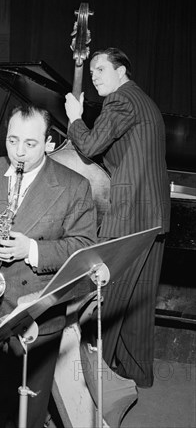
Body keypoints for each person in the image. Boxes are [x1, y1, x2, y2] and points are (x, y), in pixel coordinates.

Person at [0, 104, 97, 428]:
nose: (19, 152)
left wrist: (30, 249)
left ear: (49, 143)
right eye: (12, 140)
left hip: (37, 315)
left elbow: (85, 247)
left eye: (30, 144)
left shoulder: (75, 186)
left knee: (24, 412)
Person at [64, 47, 170, 388]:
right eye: (91, 71)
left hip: (129, 216)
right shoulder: (142, 100)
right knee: (138, 299)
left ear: (122, 71)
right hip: (152, 216)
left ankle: (94, 384)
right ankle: (137, 373)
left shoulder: (121, 100)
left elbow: (92, 145)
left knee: (107, 298)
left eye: (101, 69)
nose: (94, 76)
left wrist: (74, 118)